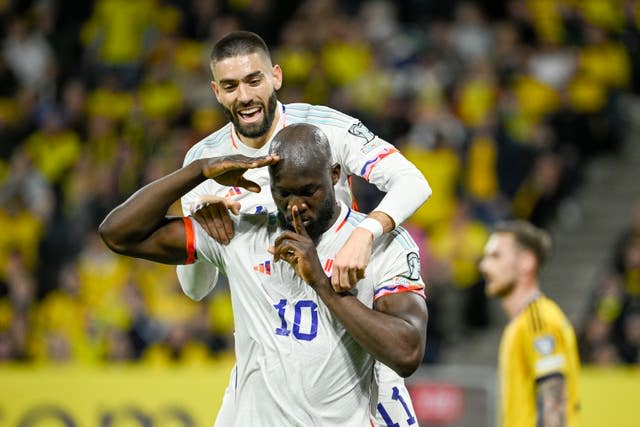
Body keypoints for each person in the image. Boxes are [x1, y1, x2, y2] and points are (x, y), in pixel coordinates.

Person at [177, 31, 431, 425]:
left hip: (348, 333)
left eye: (253, 80)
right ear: (216, 91)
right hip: (268, 350)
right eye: (230, 86)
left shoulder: (327, 127)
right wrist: (203, 225)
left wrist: (367, 234)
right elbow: (195, 290)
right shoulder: (203, 161)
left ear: (275, 76)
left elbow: (413, 182)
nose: (244, 95)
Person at [99, 123, 429, 426]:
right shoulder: (241, 233)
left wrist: (324, 287)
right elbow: (118, 233)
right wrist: (197, 172)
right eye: (284, 193)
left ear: (335, 174)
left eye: (308, 191)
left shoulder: (383, 245)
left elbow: (407, 353)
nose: (296, 206)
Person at [478, 220, 580, 427]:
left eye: (495, 256)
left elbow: (554, 405)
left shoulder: (538, 320)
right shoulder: (520, 323)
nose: (484, 266)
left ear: (526, 262)